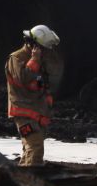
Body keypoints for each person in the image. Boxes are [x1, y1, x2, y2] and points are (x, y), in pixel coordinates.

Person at [5, 24, 63, 166]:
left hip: (36, 112)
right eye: (44, 48)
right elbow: (22, 79)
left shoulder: (40, 60)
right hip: (24, 113)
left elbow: (43, 84)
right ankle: (31, 184)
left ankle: (21, 182)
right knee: (35, 149)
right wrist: (35, 60)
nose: (46, 52)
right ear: (35, 45)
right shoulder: (16, 58)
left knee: (29, 150)